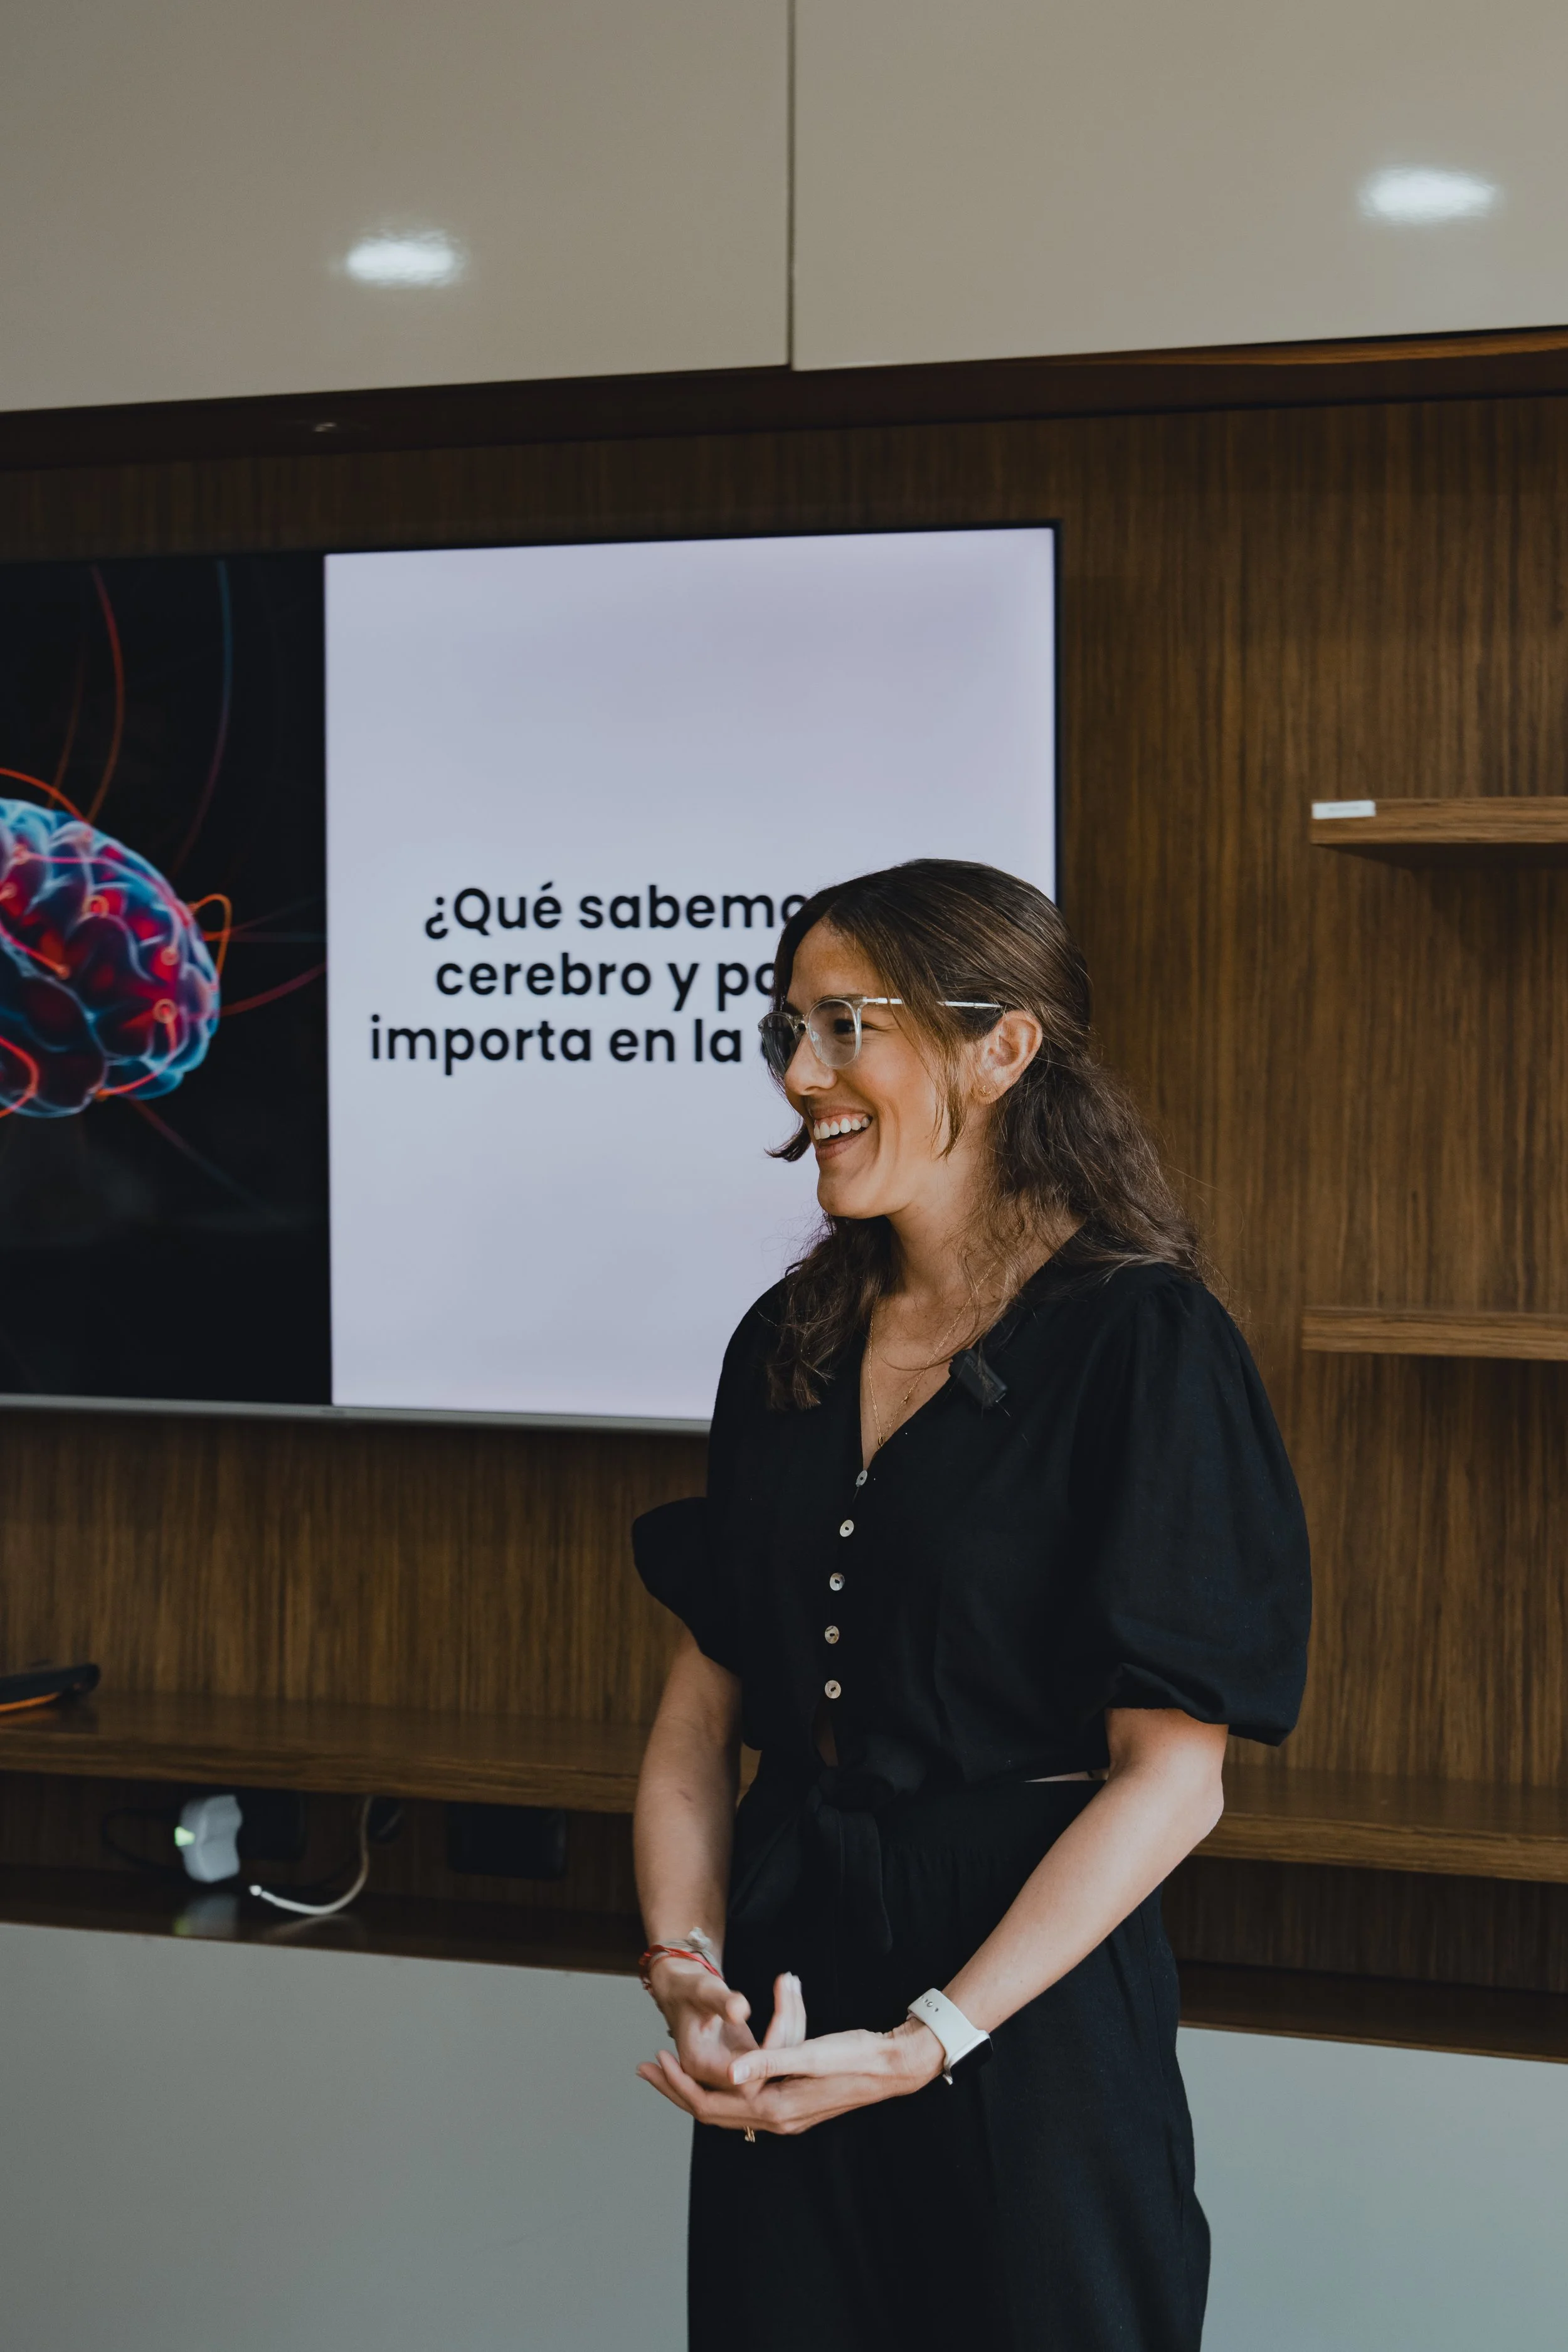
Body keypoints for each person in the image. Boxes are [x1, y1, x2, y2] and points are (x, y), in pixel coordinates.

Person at [631, 858, 1310, 2352]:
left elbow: (1172, 1781)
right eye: (787, 1030)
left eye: (845, 1025)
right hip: (792, 1975)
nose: (801, 1076)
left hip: (1030, 2010)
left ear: (1001, 1049)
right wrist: (688, 1970)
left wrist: (931, 2038)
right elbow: (698, 1714)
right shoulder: (786, 1341)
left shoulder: (1147, 1342)